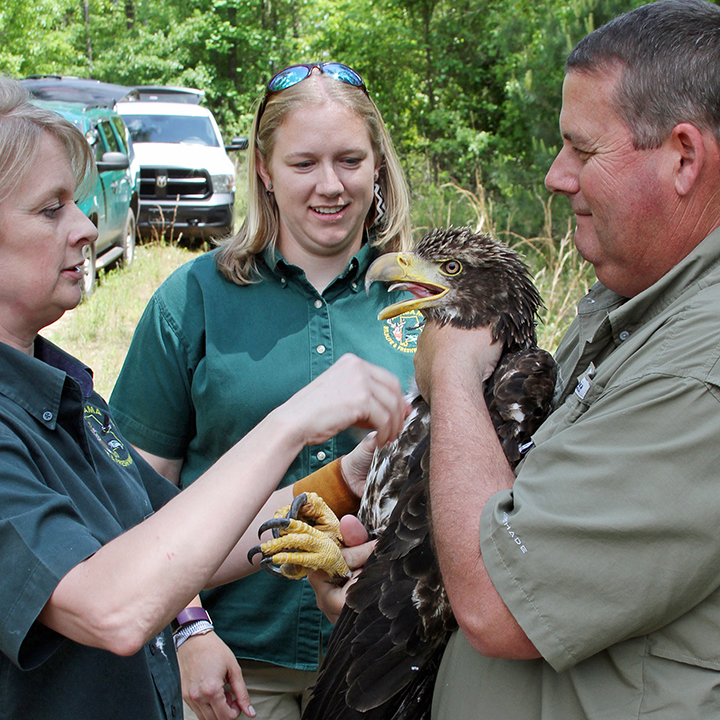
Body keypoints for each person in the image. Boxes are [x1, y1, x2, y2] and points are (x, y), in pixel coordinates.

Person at [312, 1, 720, 717]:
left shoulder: (699, 364)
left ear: (683, 157)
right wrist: (388, 582)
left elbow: (501, 600)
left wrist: (452, 374)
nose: (557, 176)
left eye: (583, 150)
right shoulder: (629, 303)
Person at [0, 76, 409, 720]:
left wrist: (347, 476)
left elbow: (186, 538)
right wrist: (292, 423)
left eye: (76, 202)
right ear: (266, 173)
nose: (86, 225)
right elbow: (112, 608)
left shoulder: (62, 389)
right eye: (52, 208)